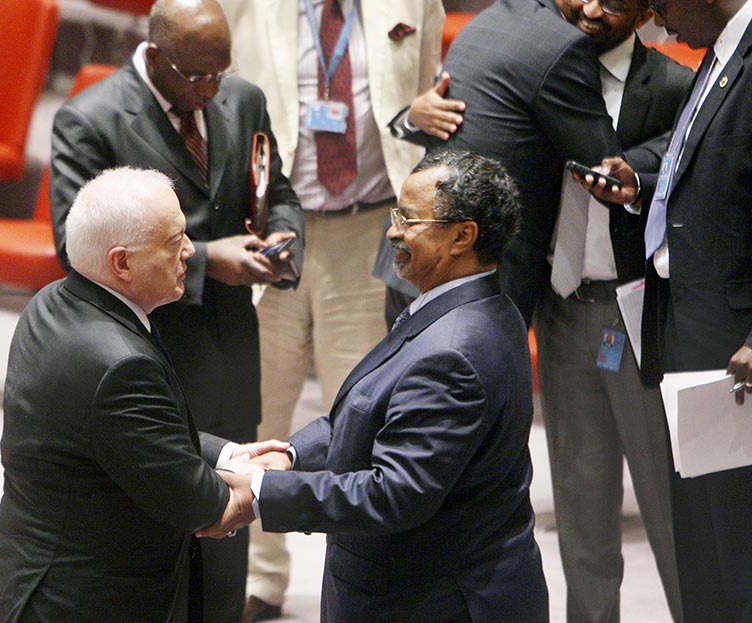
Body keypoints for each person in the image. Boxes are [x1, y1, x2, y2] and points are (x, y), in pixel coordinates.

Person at [204, 151, 549, 623]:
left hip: (431, 602)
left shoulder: (453, 351)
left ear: (461, 235)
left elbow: (394, 494)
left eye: (409, 219)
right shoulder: (469, 304)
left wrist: (264, 491)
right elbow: (368, 410)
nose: (393, 232)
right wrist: (291, 455)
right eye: (395, 215)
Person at [49, 3, 303, 619]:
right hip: (146, 360)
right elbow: (71, 248)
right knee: (155, 537)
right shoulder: (91, 118)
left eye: (221, 70)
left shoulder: (240, 98)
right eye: (197, 76)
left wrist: (284, 241)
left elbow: (280, 193)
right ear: (156, 55)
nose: (211, 88)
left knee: (226, 540)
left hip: (233, 353)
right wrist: (206, 258)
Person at [0, 167, 285, 623]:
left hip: (28, 578)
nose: (189, 253)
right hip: (79, 602)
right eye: (174, 241)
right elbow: (207, 508)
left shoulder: (54, 302)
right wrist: (273, 476)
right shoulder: (120, 364)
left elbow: (127, 436)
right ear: (121, 263)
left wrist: (230, 454)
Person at [215, 2, 444, 619]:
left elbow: (429, 96)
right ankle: (259, 576)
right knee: (261, 407)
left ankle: (359, 580)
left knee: (363, 422)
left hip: (370, 228)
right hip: (271, 229)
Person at [580, 2, 752, 620]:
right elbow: (705, 160)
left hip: (737, 353)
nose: (654, 19)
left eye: (661, 2)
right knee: (703, 544)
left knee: (738, 547)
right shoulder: (719, 53)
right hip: (688, 334)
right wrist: (643, 178)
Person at [530, 1, 692, 621]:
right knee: (580, 510)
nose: (592, 8)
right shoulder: (536, 71)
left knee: (669, 507)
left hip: (644, 314)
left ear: (648, 10)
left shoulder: (676, 86)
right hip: (564, 307)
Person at [382, 0, 630, 326]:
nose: (592, 9)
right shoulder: (562, 45)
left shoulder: (493, 17)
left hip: (413, 256)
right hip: (478, 273)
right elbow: (606, 169)